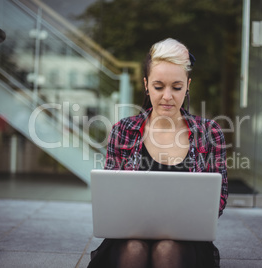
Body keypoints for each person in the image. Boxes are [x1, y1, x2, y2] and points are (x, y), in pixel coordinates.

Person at [88, 38, 228, 268]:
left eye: (176, 87)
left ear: (188, 85)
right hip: (129, 236)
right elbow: (111, 196)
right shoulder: (123, 131)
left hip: (186, 241)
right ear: (146, 84)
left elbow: (219, 198)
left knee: (167, 249)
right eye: (158, 86)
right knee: (134, 249)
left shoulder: (209, 133)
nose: (167, 97)